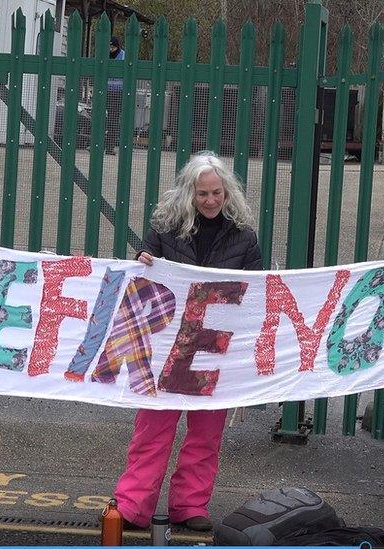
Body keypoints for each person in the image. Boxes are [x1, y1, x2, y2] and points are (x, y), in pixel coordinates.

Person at [114, 151, 262, 532]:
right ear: (189, 195)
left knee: (206, 432)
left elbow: (256, 292)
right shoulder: (164, 228)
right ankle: (133, 503)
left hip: (214, 350)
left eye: (217, 193)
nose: (211, 201)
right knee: (153, 428)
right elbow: (145, 271)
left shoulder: (244, 238)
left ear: (227, 193)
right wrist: (143, 259)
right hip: (167, 348)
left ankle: (190, 504)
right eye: (202, 194)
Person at [105, 36, 125, 154]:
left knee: (113, 120)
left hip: (117, 93)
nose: (111, 49)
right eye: (110, 46)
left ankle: (109, 147)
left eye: (113, 47)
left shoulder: (123, 56)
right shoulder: (105, 54)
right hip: (105, 91)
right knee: (100, 119)